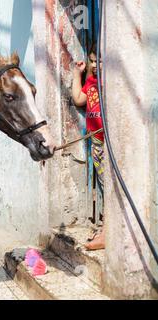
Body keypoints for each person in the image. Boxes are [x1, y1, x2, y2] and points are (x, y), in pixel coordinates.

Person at [72, 46, 105, 251]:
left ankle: (106, 232)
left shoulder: (109, 82)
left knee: (110, 188)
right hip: (97, 144)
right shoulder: (91, 82)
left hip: (108, 144)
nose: (94, 65)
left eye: (99, 60)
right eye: (92, 60)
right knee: (104, 185)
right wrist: (78, 74)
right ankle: (104, 229)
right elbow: (78, 99)